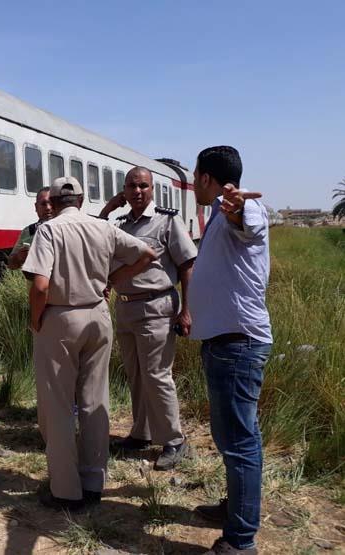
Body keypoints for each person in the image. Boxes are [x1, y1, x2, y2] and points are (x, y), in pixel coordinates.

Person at [22, 176, 156, 510]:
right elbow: (148, 253)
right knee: (95, 401)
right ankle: (94, 481)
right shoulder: (103, 228)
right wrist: (115, 279)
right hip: (97, 314)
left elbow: (40, 286)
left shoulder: (49, 230)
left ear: (52, 201)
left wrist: (35, 319)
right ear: (81, 200)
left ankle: (66, 489)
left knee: (58, 404)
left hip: (61, 317)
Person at [187, 146, 271, 555]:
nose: (191, 183)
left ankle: (241, 540)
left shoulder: (242, 211)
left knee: (240, 442)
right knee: (231, 439)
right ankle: (235, 510)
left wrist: (235, 207)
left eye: (194, 175)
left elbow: (249, 223)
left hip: (238, 344)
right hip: (226, 342)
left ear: (206, 178)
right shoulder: (219, 215)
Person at [100, 167, 197, 470]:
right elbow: (93, 236)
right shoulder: (119, 224)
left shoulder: (167, 221)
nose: (137, 191)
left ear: (152, 190)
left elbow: (187, 265)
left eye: (143, 186)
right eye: (132, 186)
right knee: (136, 374)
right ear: (124, 191)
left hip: (157, 307)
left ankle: (174, 440)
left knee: (157, 375)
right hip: (126, 308)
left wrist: (187, 310)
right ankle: (141, 434)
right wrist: (107, 209)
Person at [7, 187, 54, 270]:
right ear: (36, 207)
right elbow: (11, 265)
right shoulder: (29, 231)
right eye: (43, 204)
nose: (48, 208)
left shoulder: (66, 228)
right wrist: (18, 257)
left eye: (51, 203)